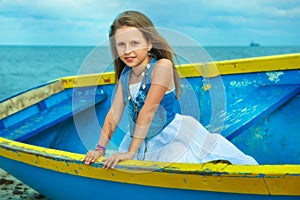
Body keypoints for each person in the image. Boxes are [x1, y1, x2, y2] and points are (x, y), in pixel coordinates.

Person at [83, 11, 258, 168]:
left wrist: (130, 152)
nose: (128, 51)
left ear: (149, 44)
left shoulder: (162, 67)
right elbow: (113, 115)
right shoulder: (125, 76)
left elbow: (148, 111)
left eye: (134, 43)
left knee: (172, 166)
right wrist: (100, 149)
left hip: (169, 136)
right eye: (121, 44)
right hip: (139, 138)